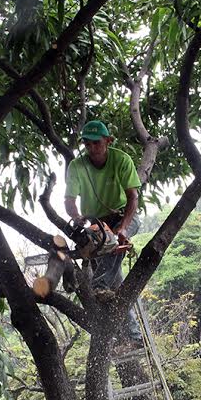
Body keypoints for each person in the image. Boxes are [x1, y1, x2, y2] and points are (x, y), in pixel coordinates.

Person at [64, 120, 143, 344]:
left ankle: (98, 285)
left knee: (109, 247)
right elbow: (69, 200)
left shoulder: (121, 160)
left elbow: (132, 197)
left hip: (123, 216)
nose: (91, 148)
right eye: (87, 144)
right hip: (96, 223)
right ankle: (133, 337)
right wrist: (77, 217)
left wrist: (123, 228)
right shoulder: (77, 166)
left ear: (108, 141)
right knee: (116, 284)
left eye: (96, 143)